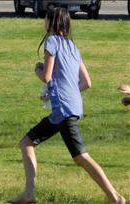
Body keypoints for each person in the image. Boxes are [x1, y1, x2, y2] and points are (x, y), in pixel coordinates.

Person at [8, 8, 126, 204]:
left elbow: (46, 76)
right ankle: (29, 193)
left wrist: (37, 70)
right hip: (69, 107)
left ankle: (115, 198)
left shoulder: (52, 41)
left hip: (63, 109)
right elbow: (86, 82)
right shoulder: (73, 46)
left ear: (52, 22)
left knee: (81, 157)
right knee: (27, 142)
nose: (43, 22)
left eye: (45, 19)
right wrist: (57, 92)